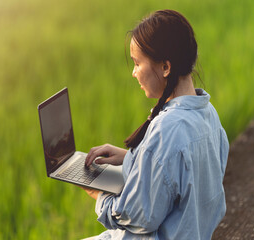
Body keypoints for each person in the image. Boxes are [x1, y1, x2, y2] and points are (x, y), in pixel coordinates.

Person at [82, 10, 229, 240]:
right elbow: (178, 170)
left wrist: (98, 194)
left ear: (165, 68)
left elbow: (136, 217)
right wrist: (132, 156)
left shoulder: (167, 130)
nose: (133, 73)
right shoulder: (208, 114)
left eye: (137, 63)